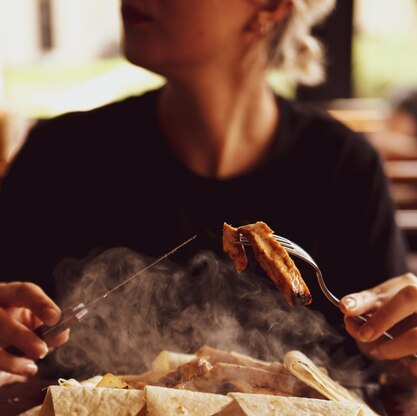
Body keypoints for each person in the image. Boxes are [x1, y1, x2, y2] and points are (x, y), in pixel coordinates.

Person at [0, 0, 413, 384]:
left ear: (269, 6)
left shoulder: (343, 167)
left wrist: (405, 342)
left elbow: (385, 366)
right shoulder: (61, 155)